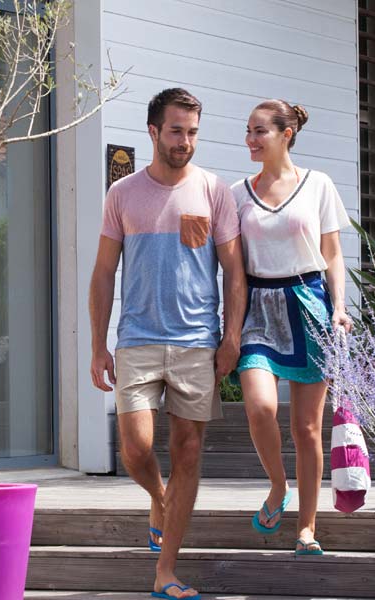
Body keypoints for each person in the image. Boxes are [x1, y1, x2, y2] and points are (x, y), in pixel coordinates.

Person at [89, 87, 245, 600]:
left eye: (193, 132)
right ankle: (159, 498)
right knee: (134, 448)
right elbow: (104, 273)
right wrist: (98, 345)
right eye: (177, 131)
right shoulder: (123, 194)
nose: (186, 141)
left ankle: (166, 571)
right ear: (154, 131)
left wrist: (231, 337)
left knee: (189, 452)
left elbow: (234, 274)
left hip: (197, 343)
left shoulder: (213, 191)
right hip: (136, 339)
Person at [231, 99, 353, 556]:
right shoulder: (238, 193)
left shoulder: (318, 184)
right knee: (260, 407)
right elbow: (230, 262)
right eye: (248, 131)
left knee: (306, 428)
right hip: (258, 306)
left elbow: (333, 254)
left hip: (307, 303)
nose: (249, 139)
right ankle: (277, 485)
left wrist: (339, 306)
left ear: (286, 134)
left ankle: (306, 528)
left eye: (259, 131)